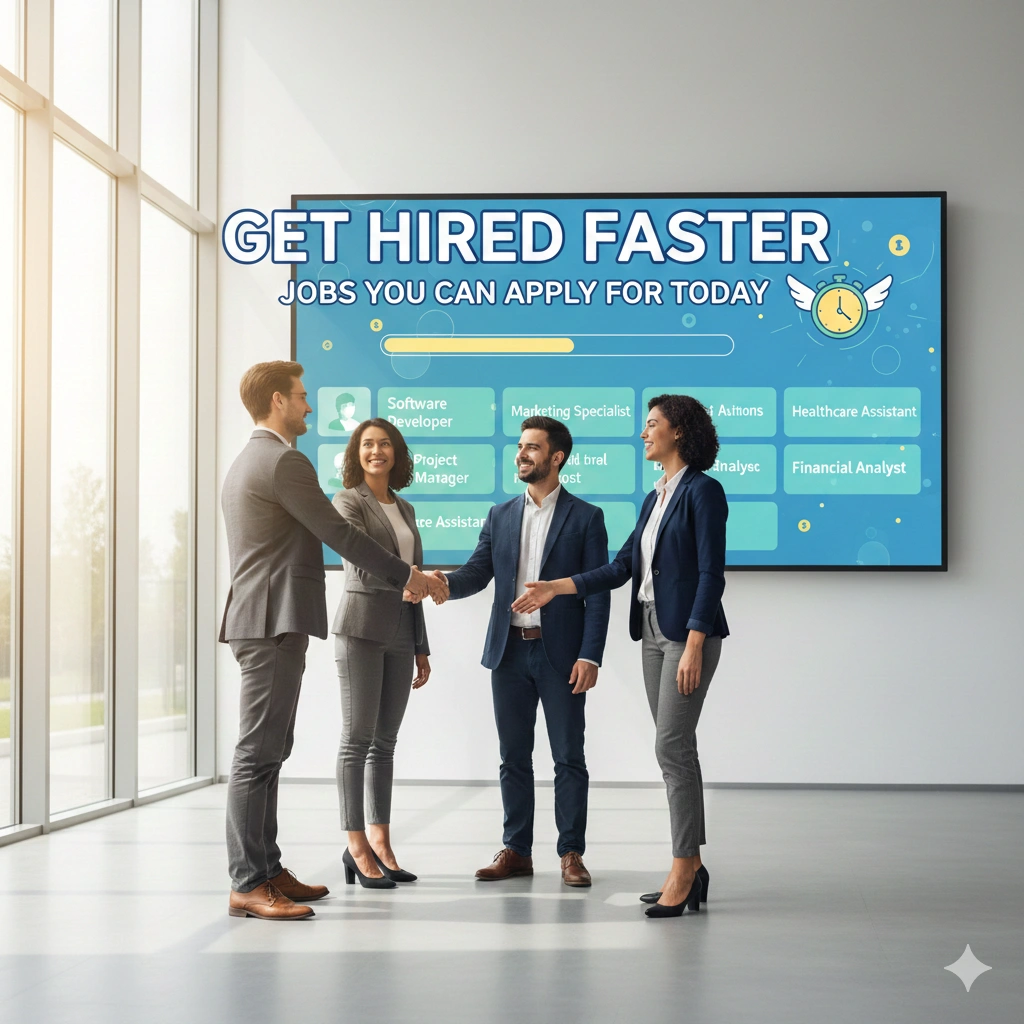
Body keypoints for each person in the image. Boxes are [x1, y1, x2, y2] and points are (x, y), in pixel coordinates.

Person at [220, 360, 438, 921]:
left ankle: (267, 868)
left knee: (271, 750)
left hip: (272, 619)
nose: (308, 406)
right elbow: (338, 533)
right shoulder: (282, 461)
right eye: (300, 397)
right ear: (276, 402)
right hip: (271, 620)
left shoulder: (255, 460)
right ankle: (248, 882)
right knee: (255, 754)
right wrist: (409, 576)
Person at [512, 395, 728, 918]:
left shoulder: (703, 492)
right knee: (679, 752)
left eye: (652, 425)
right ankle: (692, 867)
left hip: (685, 635)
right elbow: (620, 567)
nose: (643, 433)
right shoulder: (655, 498)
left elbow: (710, 573)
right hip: (652, 630)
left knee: (671, 749)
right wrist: (556, 588)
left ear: (679, 432)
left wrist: (695, 642)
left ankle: (683, 868)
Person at [436, 417, 610, 887]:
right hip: (508, 652)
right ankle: (516, 850)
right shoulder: (500, 515)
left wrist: (590, 655)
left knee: (568, 756)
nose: (521, 454)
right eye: (520, 446)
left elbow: (597, 593)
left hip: (562, 656)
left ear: (556, 457)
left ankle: (571, 852)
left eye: (532, 448)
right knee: (513, 756)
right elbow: (476, 573)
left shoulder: (587, 518)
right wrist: (440, 584)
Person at [331, 419, 438, 889]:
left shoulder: (406, 507)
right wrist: (415, 579)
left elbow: (410, 572)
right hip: (360, 629)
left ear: (397, 454)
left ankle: (381, 841)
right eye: (368, 445)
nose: (377, 451)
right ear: (357, 453)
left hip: (400, 633)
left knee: (386, 743)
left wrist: (420, 646)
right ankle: (356, 845)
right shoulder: (347, 502)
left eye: (385, 444)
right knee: (357, 739)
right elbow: (362, 562)